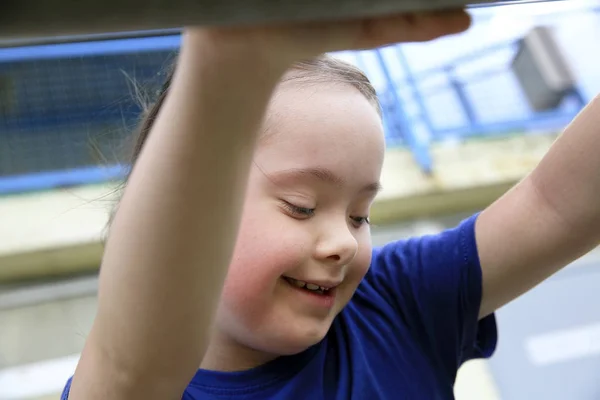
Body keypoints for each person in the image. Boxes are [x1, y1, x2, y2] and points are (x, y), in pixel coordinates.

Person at [62, 9, 600, 400]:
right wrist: (226, 58)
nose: (344, 240)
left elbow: (555, 204)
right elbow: (130, 365)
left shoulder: (392, 303)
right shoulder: (129, 385)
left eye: (360, 215)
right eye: (300, 206)